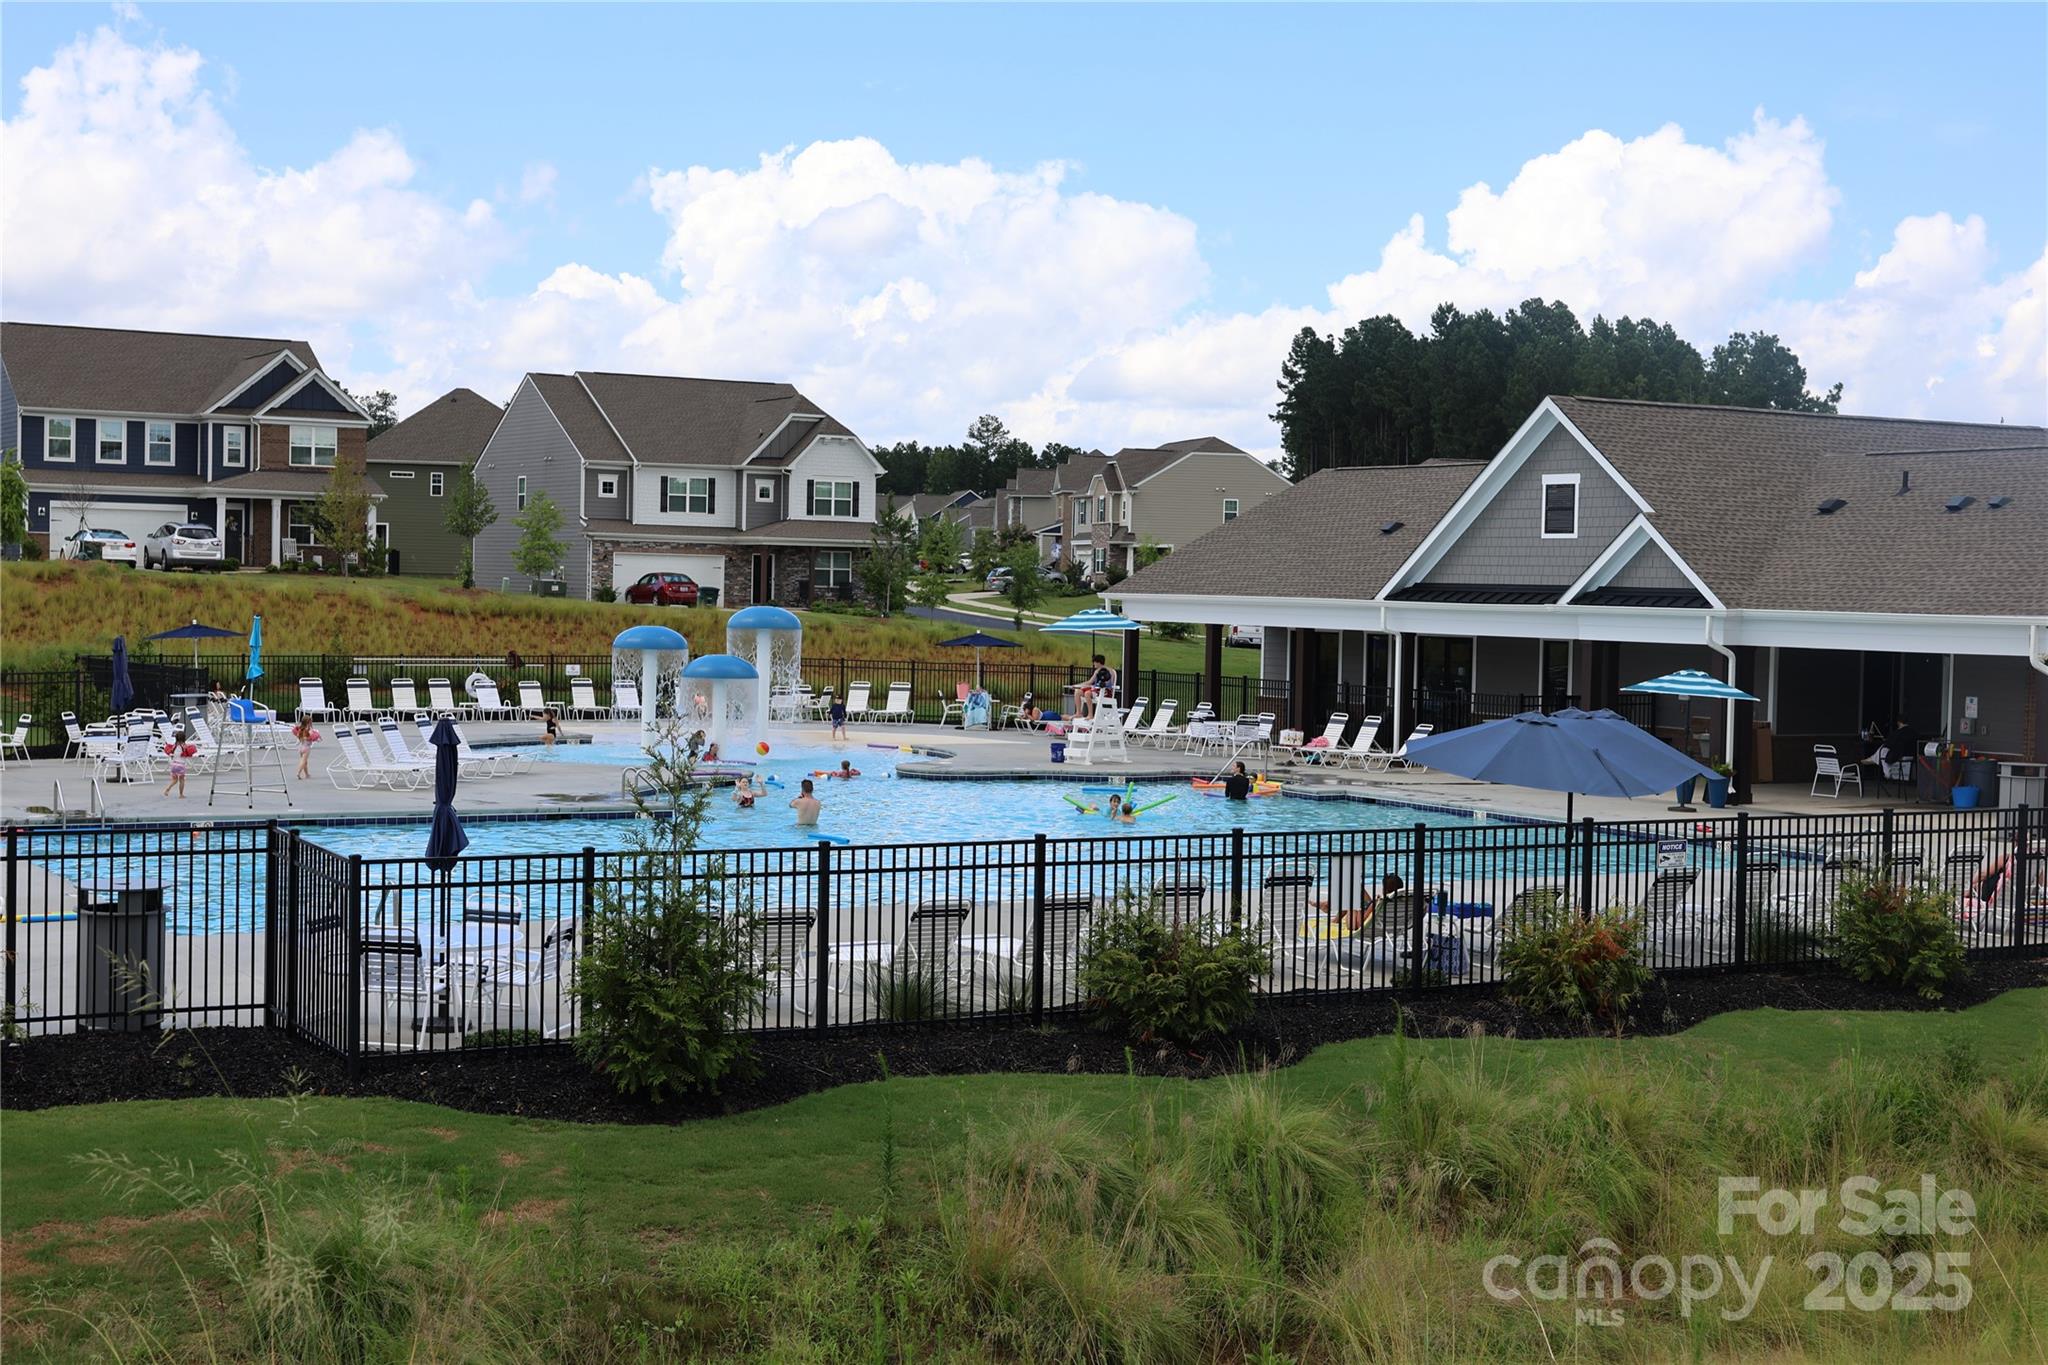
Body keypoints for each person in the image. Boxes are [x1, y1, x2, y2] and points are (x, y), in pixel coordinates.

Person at [161, 729, 197, 799]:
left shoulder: (173, 746)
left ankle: (168, 788)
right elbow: (189, 752)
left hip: (173, 765)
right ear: (184, 738)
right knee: (181, 780)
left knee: (174, 780)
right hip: (181, 765)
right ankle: (181, 795)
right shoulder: (184, 746)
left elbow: (170, 752)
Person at [292, 716, 319, 781]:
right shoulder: (309, 730)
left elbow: (298, 735)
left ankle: (307, 774)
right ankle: (298, 773)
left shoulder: (300, 729)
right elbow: (313, 737)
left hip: (301, 747)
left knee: (305, 762)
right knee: (303, 761)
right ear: (309, 722)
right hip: (307, 747)